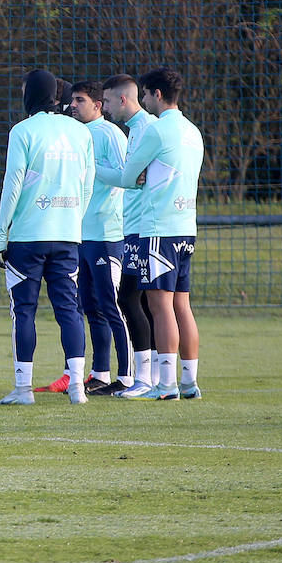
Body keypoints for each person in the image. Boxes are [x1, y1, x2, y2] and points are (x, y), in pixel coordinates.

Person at [0, 70, 94, 405]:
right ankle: (77, 388)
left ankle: (23, 390)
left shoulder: (23, 131)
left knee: (24, 309)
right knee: (69, 309)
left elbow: (12, 185)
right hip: (67, 235)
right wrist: (72, 220)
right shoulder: (80, 132)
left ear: (31, 94)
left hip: (27, 237)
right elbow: (87, 185)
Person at [120, 67, 203, 400]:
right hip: (187, 227)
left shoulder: (155, 131)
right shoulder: (193, 131)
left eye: (144, 94)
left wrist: (137, 176)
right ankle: (189, 382)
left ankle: (166, 385)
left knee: (160, 306)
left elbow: (127, 176)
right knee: (182, 305)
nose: (142, 100)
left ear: (155, 94)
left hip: (158, 230)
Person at [69, 80, 132, 394]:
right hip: (80, 234)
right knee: (89, 306)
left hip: (106, 233)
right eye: (72, 100)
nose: (73, 105)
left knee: (111, 305)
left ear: (98, 104)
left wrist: (89, 167)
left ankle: (128, 376)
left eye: (80, 100)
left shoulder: (110, 134)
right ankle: (100, 373)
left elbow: (125, 175)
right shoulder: (75, 134)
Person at [101, 74, 159, 397]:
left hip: (143, 227)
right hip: (133, 226)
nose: (105, 108)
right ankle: (151, 377)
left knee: (131, 299)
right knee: (142, 301)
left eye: (108, 101)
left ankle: (146, 379)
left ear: (123, 100)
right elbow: (131, 177)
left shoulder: (147, 129)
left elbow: (130, 178)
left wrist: (92, 168)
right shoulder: (135, 131)